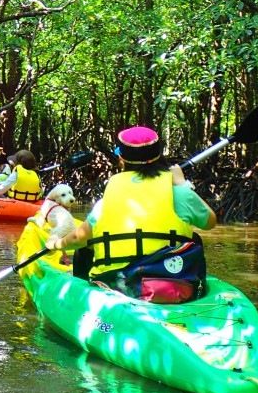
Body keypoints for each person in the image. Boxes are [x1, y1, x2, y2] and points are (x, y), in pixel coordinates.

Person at [46, 126, 216, 302]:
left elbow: (77, 239)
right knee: (193, 237)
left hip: (120, 285)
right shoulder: (180, 193)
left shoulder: (106, 202)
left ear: (121, 159)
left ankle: (79, 295)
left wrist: (57, 244)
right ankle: (197, 295)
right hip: (175, 283)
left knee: (86, 246)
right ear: (159, 156)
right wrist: (182, 184)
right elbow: (210, 221)